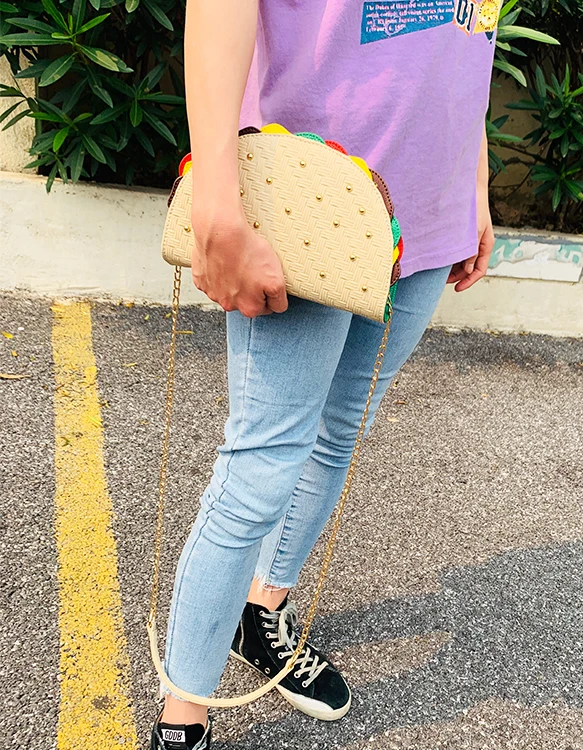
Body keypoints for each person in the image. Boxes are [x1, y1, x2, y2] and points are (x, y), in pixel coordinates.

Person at [149, 0, 497, 747]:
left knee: (339, 431)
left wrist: (475, 184)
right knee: (262, 463)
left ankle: (261, 612)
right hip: (308, 192)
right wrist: (217, 203)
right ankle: (182, 717)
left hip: (430, 204)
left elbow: (472, 27)